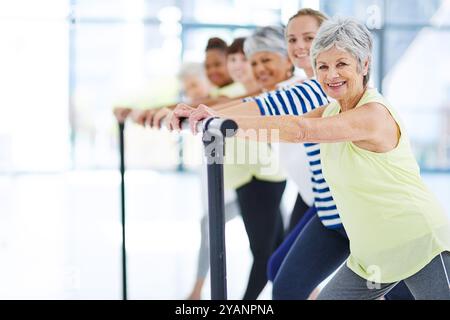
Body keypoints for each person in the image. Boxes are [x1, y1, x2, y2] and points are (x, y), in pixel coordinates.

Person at [176, 17, 450, 300]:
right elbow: (280, 122)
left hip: (420, 244)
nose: (331, 74)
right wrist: (217, 118)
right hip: (372, 257)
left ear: (364, 65)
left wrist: (223, 119)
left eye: (341, 64)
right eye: (323, 66)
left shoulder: (373, 115)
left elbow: (300, 130)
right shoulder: (331, 110)